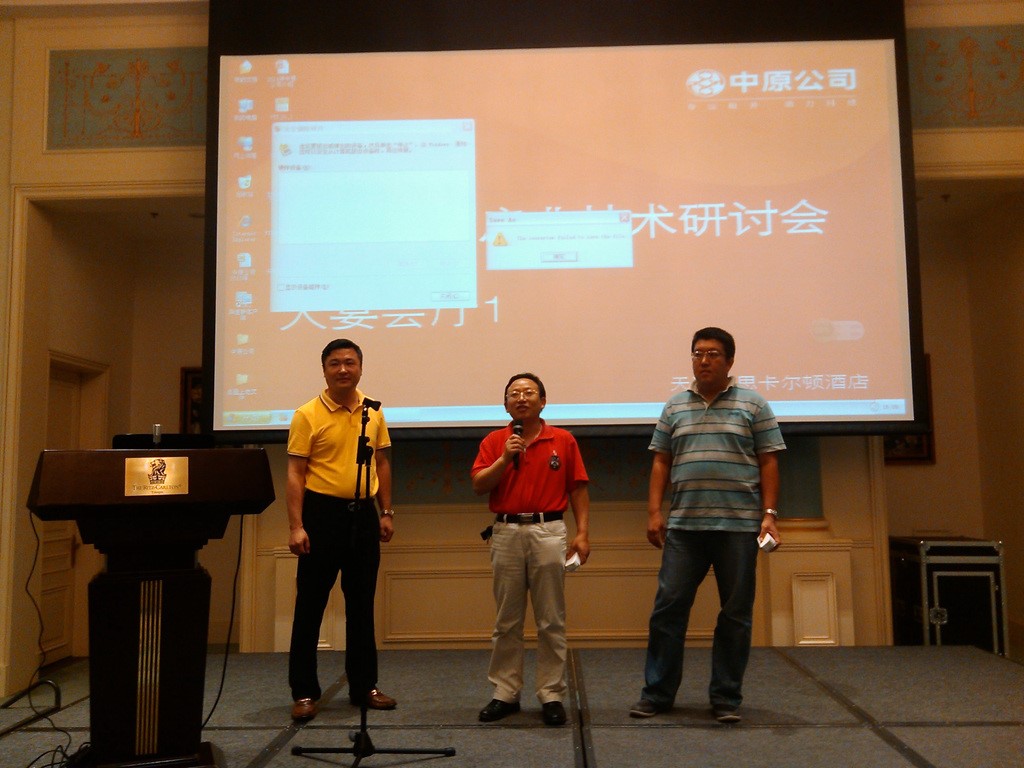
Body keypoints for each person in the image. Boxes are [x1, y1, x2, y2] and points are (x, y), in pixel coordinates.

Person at [630, 327, 785, 724]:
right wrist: (654, 511)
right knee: (668, 610)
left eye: (713, 354)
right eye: (698, 353)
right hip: (684, 527)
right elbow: (661, 461)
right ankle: (657, 694)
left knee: (735, 614)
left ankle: (726, 698)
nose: (704, 360)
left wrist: (769, 514)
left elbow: (769, 460)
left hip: (739, 527)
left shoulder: (753, 404)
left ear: (729, 361)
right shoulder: (675, 406)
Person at [286, 338, 397, 721]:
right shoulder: (307, 414)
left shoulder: (373, 412)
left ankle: (364, 686)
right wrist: (296, 526)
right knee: (310, 605)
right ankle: (304, 692)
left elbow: (382, 463)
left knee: (362, 605)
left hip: (363, 515)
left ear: (361, 368)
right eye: (335, 363)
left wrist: (386, 512)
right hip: (321, 515)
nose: (343, 369)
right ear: (324, 370)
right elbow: (295, 473)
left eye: (350, 362)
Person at [471, 373, 591, 727]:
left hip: (548, 530)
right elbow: (479, 485)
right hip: (506, 531)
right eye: (514, 394)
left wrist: (583, 533)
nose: (521, 398)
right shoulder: (495, 441)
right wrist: (504, 459)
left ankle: (551, 694)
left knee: (551, 619)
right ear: (505, 404)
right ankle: (505, 693)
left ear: (543, 401)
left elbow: (578, 489)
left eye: (529, 392)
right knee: (506, 620)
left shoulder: (563, 440)